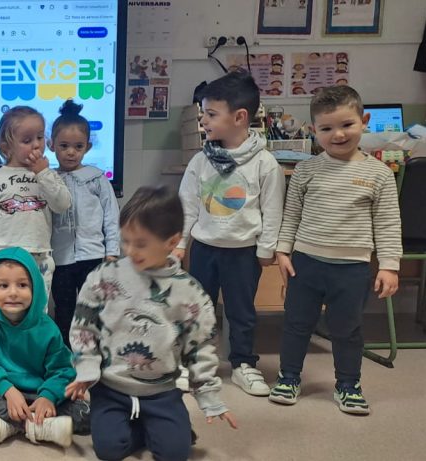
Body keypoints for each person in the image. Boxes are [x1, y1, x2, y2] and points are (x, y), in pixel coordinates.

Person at [66, 186, 238, 461]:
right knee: (109, 450)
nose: (129, 250)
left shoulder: (189, 292)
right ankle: (145, 430)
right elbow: (84, 325)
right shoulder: (105, 276)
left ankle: (167, 430)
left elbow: (201, 344)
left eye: (141, 244)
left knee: (175, 453)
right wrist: (86, 369)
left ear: (172, 242)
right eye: (125, 241)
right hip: (111, 389)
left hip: (161, 392)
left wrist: (207, 392)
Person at [270, 85, 401, 415]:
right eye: (327, 128)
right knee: (297, 324)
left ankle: (348, 385)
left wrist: (389, 265)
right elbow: (291, 215)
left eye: (347, 124)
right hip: (306, 264)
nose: (338, 134)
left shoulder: (379, 174)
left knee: (347, 330)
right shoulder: (306, 170)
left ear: (364, 121)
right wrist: (283, 251)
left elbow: (387, 223)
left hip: (352, 269)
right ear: (314, 130)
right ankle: (288, 377)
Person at [173, 70, 285, 396]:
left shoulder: (264, 163)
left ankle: (243, 364)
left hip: (243, 251)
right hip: (205, 248)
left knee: (241, 312)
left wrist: (266, 249)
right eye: (203, 114)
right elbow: (187, 204)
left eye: (211, 114)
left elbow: (272, 209)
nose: (203, 120)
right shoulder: (200, 160)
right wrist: (180, 243)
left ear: (239, 117)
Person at [0, 247, 89, 448]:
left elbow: (62, 370)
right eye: (3, 285)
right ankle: (31, 425)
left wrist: (48, 396)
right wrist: (7, 389)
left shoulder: (47, 328)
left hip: (37, 392)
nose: (13, 293)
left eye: (22, 285)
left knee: (86, 413)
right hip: (1, 391)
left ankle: (12, 422)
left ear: (34, 289)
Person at [0, 106, 72, 300]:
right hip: (4, 255)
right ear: (6, 147)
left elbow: (62, 204)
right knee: (6, 305)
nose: (36, 145)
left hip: (40, 255)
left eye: (40, 137)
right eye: (27, 140)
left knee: (38, 307)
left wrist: (43, 173)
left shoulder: (48, 175)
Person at [49, 100, 120, 347]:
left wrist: (112, 251)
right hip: (61, 259)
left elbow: (111, 216)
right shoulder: (49, 180)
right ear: (51, 145)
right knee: (64, 308)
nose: (71, 152)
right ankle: (65, 353)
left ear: (88, 147)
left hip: (93, 255)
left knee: (95, 307)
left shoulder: (97, 178)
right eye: (64, 146)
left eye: (78, 146)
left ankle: (96, 350)